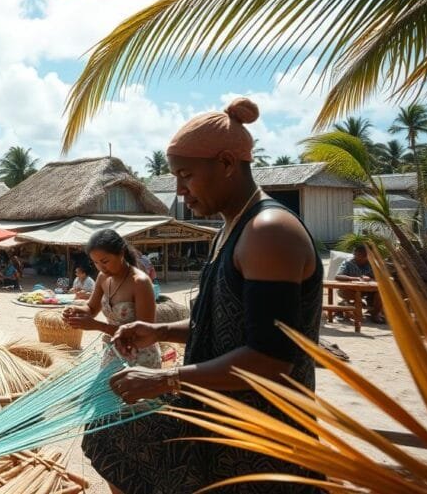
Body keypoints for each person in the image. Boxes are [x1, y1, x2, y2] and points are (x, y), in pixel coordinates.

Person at [82, 98, 322, 493]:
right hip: (218, 419)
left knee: (115, 437)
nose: (179, 190)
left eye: (186, 175)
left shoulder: (268, 232)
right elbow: (220, 326)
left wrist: (166, 378)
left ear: (227, 163)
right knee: (107, 434)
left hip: (259, 441)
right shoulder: (231, 230)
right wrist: (157, 331)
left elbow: (270, 357)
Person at [64, 231, 160, 367]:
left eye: (105, 261)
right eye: (95, 263)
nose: (101, 267)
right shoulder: (103, 278)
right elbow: (91, 308)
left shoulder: (140, 282)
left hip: (139, 355)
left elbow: (145, 332)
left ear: (121, 253)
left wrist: (97, 326)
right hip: (113, 351)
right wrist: (76, 310)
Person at [335, 245, 384, 324]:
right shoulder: (348, 262)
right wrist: (355, 278)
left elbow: (381, 278)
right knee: (351, 296)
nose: (356, 257)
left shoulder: (372, 264)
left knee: (381, 293)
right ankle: (344, 306)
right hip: (349, 290)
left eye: (359, 256)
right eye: (355, 255)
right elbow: (338, 276)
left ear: (366, 257)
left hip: (367, 290)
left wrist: (370, 278)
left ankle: (375, 314)